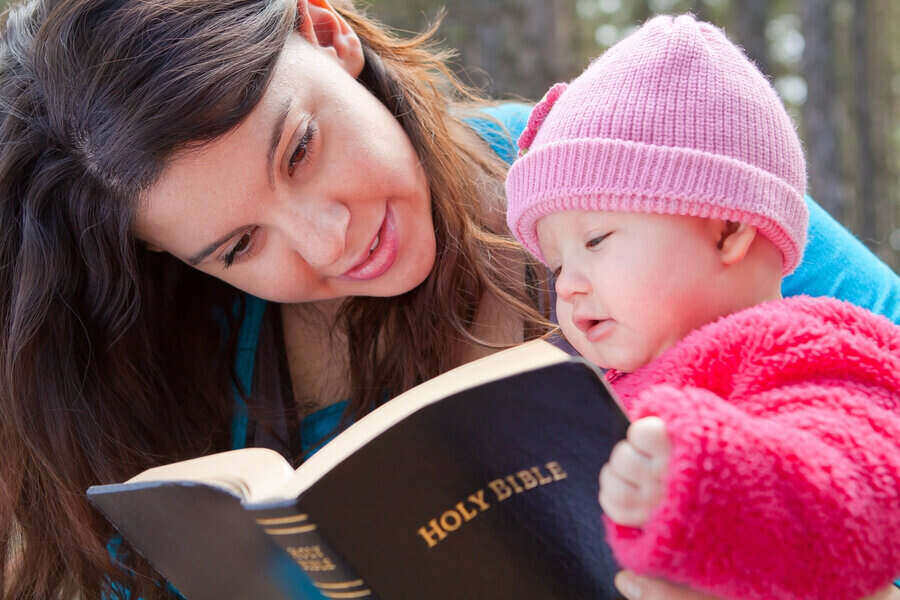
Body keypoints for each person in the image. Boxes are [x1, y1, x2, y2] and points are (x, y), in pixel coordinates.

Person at [0, 0, 896, 598]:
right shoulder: (179, 370)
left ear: (327, 32)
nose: (329, 240)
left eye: (301, 149)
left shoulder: (625, 180)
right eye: (239, 246)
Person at [505, 13, 900, 600]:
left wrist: (707, 479)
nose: (567, 286)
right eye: (558, 265)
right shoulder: (595, 385)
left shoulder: (809, 343)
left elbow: (860, 494)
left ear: (728, 229)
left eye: (596, 241)